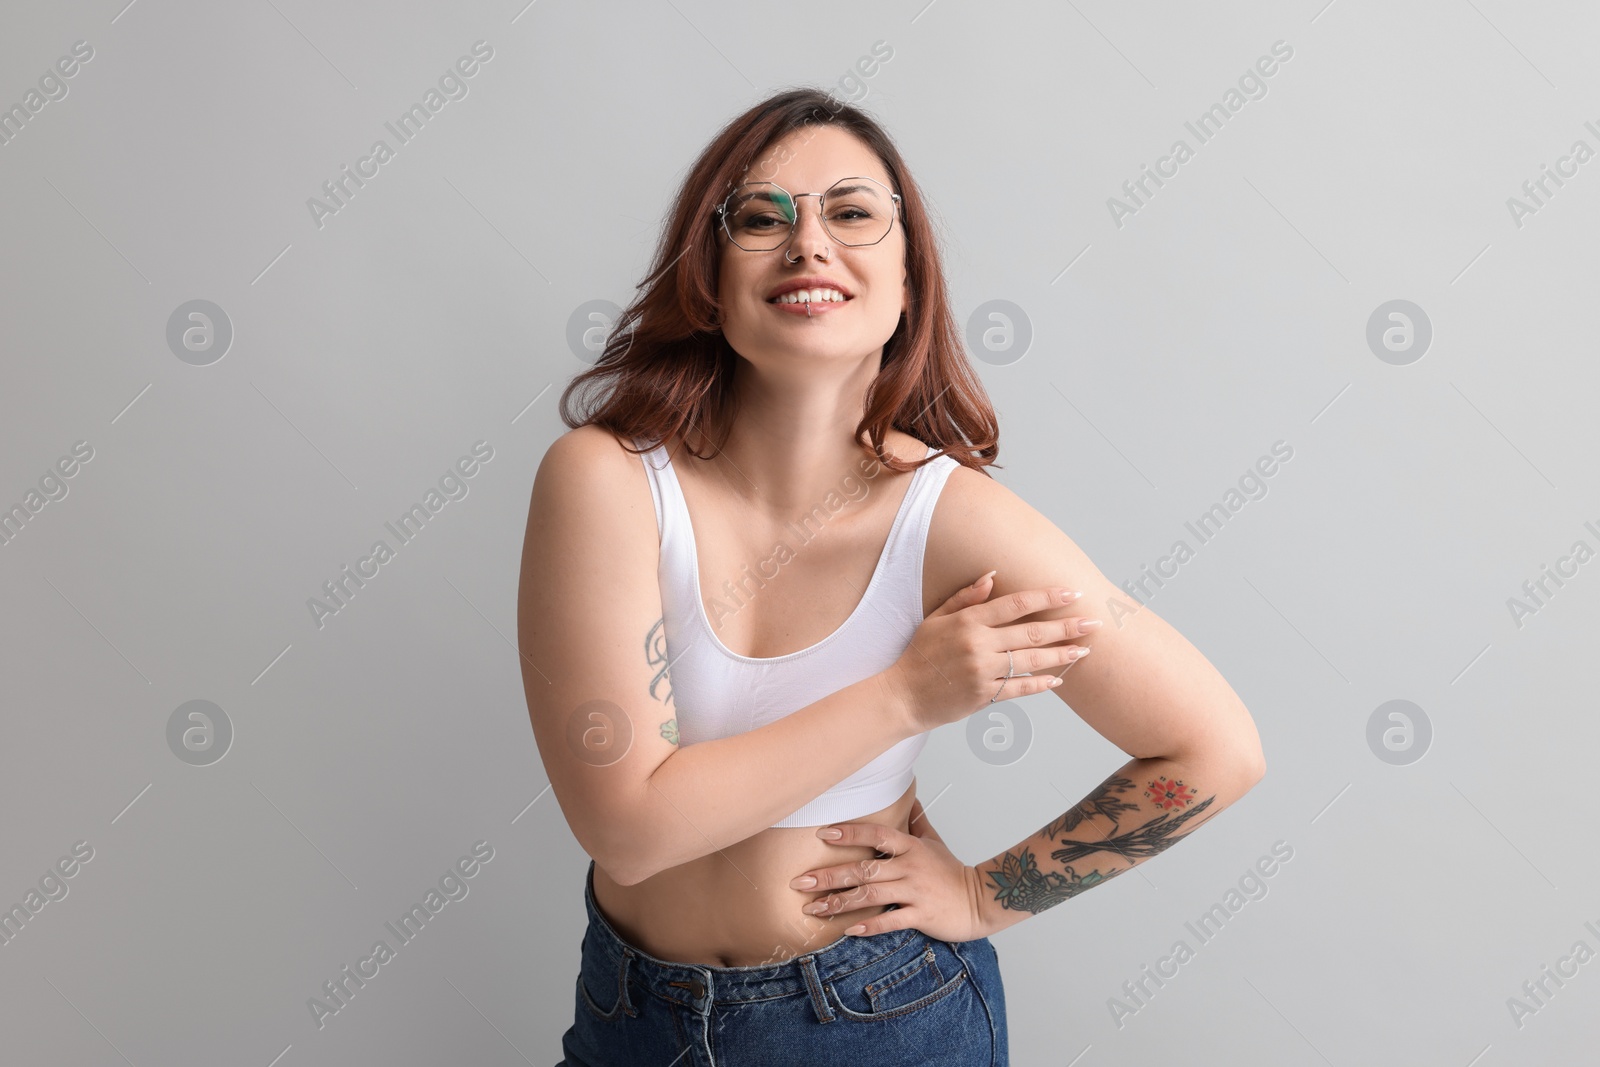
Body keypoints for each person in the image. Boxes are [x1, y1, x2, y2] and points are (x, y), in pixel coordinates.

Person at [520, 86, 1266, 1066]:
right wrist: (906, 693)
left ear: (908, 279)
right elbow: (628, 829)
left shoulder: (950, 518)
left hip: (878, 1017)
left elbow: (1214, 750)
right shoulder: (604, 480)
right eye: (760, 217)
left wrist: (979, 894)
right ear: (707, 276)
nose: (808, 245)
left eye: (852, 212)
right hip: (636, 1017)